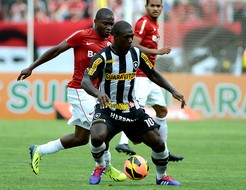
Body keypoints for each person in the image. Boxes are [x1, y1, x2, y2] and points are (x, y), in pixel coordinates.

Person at [17, 8, 126, 182]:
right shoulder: (82, 36)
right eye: (105, 23)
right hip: (79, 91)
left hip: (96, 93)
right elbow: (56, 50)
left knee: (80, 138)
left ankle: (39, 150)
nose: (108, 27)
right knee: (100, 129)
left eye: (111, 24)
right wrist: (32, 67)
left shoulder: (112, 42)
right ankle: (105, 167)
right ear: (95, 21)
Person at [81, 20, 186, 186]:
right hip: (108, 109)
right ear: (115, 38)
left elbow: (152, 74)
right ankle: (100, 166)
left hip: (132, 110)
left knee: (158, 142)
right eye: (127, 37)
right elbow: (85, 81)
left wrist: (172, 90)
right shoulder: (102, 57)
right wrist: (98, 93)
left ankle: (162, 177)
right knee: (96, 136)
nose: (131, 40)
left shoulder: (136, 53)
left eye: (132, 37)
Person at [114, 0, 184, 162]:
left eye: (158, 6)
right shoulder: (144, 22)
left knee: (162, 111)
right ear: (146, 7)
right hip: (139, 76)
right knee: (134, 110)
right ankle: (123, 142)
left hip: (149, 77)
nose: (155, 8)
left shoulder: (154, 24)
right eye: (152, 6)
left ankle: (163, 150)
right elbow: (134, 46)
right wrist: (157, 51)